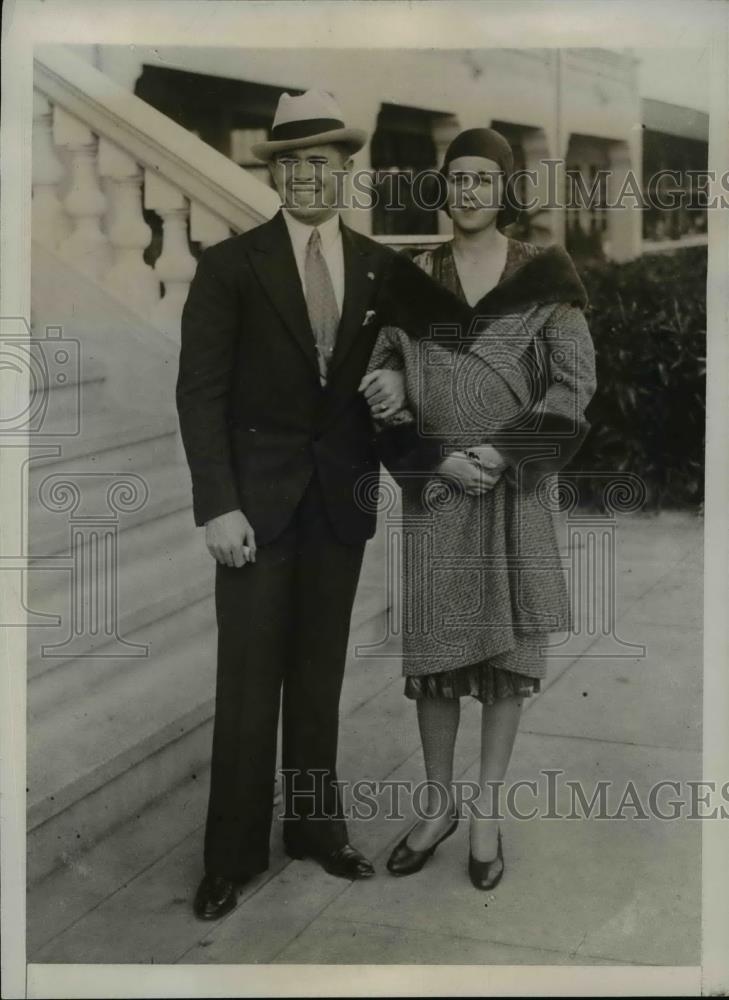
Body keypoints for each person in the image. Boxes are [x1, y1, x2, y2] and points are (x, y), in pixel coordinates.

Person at [176, 89, 417, 920]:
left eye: (327, 162)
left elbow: (423, 357)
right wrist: (217, 504)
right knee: (247, 683)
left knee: (318, 677)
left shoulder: (383, 267)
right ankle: (231, 857)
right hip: (255, 507)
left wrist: (400, 380)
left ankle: (314, 829)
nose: (312, 176)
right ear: (276, 172)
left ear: (346, 173)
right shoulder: (230, 265)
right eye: (296, 162)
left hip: (338, 503)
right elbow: (199, 394)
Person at [367, 127, 597, 890]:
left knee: (506, 660)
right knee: (436, 657)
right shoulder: (410, 277)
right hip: (437, 488)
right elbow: (382, 373)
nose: (466, 192)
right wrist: (394, 389)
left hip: (514, 490)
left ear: (503, 190)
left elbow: (571, 386)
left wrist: (500, 453)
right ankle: (437, 806)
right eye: (455, 179)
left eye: (480, 180)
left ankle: (487, 809)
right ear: (443, 187)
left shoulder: (544, 278)